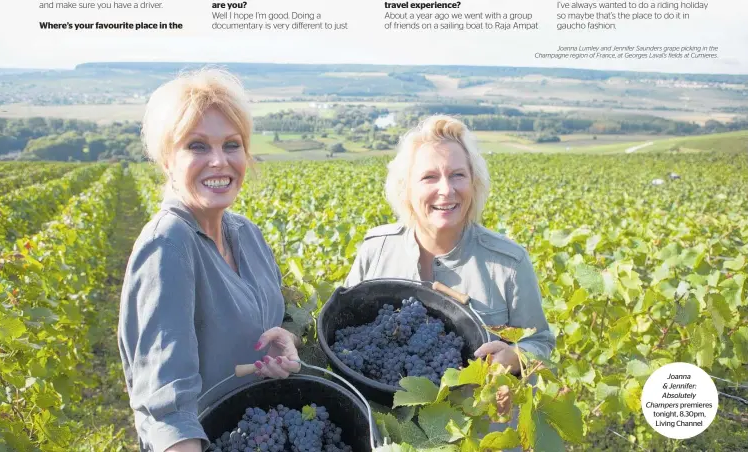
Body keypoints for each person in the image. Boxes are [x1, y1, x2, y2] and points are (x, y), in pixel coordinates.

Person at [118, 68, 300, 452]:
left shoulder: (246, 234)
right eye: (197, 146)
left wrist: (281, 346)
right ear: (168, 159)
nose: (219, 161)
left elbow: (253, 328)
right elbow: (167, 411)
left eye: (231, 145)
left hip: (259, 434)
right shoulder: (168, 244)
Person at [345, 115, 555, 373]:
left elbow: (541, 342)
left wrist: (514, 356)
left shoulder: (508, 264)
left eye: (457, 175)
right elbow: (344, 326)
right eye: (429, 177)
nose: (446, 190)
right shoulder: (376, 251)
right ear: (406, 188)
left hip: (475, 412)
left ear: (473, 183)